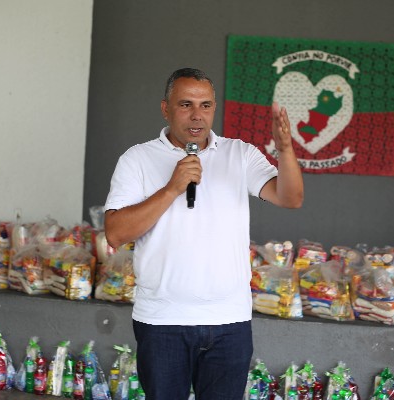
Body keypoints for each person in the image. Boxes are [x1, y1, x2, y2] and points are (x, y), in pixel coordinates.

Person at [104, 67, 303, 399]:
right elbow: (115, 234)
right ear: (166, 108)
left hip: (229, 321)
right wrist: (172, 188)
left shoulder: (240, 154)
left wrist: (285, 150)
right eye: (186, 105)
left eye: (205, 105)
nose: (197, 115)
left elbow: (291, 198)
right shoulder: (137, 159)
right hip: (162, 321)